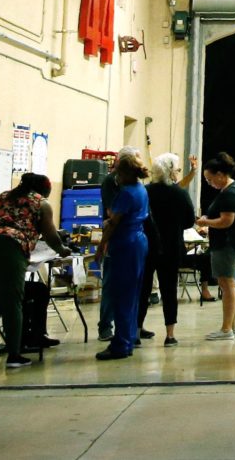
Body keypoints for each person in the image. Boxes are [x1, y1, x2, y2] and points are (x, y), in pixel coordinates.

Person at [0, 174, 73, 369]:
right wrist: (62, 250)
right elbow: (51, 235)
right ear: (45, 189)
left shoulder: (4, 196)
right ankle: (14, 354)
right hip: (9, 246)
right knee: (11, 300)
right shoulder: (41, 203)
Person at [95, 154, 151, 360]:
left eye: (118, 171)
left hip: (125, 242)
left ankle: (121, 344)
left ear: (125, 173)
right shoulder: (141, 189)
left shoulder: (126, 193)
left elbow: (113, 222)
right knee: (132, 293)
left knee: (121, 294)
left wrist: (101, 245)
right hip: (139, 241)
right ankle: (128, 338)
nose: (115, 176)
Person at [144, 153, 197, 346]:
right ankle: (170, 334)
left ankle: (136, 329)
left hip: (147, 245)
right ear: (170, 171)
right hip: (171, 246)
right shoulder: (179, 193)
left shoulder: (146, 191)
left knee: (143, 288)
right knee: (169, 289)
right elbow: (190, 220)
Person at [197, 152, 235, 341]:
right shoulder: (228, 190)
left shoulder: (231, 193)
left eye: (210, 179)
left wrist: (206, 222)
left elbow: (227, 221)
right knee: (228, 285)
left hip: (227, 245)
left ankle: (226, 329)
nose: (210, 183)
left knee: (227, 285)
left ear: (220, 174)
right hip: (227, 243)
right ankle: (231, 328)